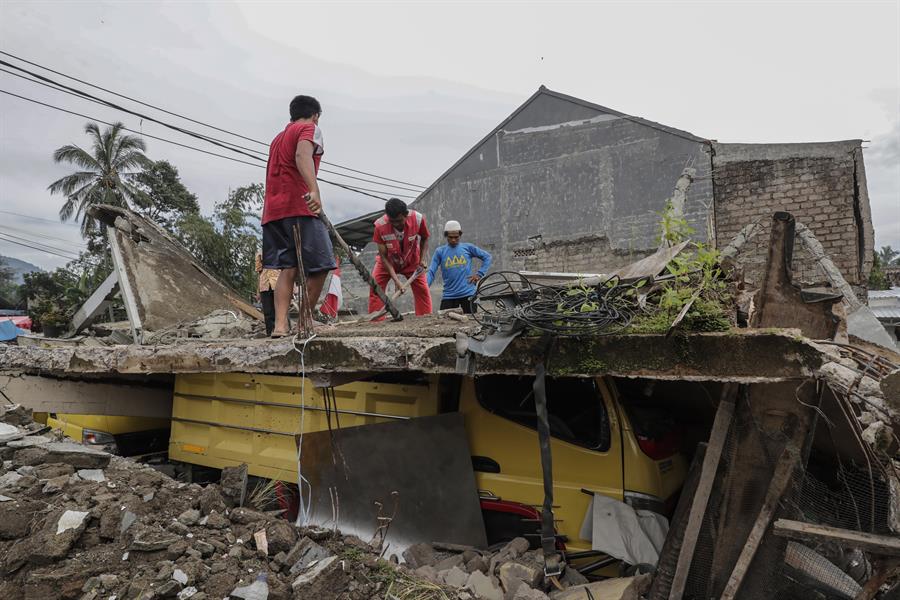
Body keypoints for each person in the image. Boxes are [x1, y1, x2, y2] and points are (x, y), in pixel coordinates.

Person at [262, 95, 336, 337]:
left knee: (288, 267)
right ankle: (305, 321)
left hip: (274, 211)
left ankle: (280, 326)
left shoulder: (277, 138)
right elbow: (302, 155)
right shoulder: (309, 128)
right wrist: (313, 190)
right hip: (300, 207)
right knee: (323, 264)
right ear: (315, 115)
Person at [368, 198, 432, 317]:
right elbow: (383, 256)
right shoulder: (379, 226)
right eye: (392, 221)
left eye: (399, 220)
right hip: (387, 262)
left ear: (406, 215)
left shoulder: (418, 219)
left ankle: (425, 318)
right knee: (375, 288)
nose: (396, 224)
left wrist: (422, 259)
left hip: (411, 261)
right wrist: (396, 280)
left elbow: (424, 238)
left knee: (422, 290)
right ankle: (375, 321)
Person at [426, 220, 492, 314]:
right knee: (445, 323)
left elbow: (487, 257)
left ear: (460, 235)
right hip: (449, 295)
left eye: (456, 237)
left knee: (471, 323)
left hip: (468, 294)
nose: (453, 240)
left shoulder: (468, 248)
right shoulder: (440, 251)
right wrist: (425, 287)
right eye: (450, 237)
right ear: (446, 236)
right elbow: (431, 271)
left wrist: (479, 274)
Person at [255, 250, 279, 335]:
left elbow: (287, 271)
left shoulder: (280, 250)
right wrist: (258, 291)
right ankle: (270, 332)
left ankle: (282, 330)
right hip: (264, 284)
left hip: (278, 284)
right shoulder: (259, 253)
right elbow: (259, 272)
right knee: (268, 311)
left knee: (280, 309)